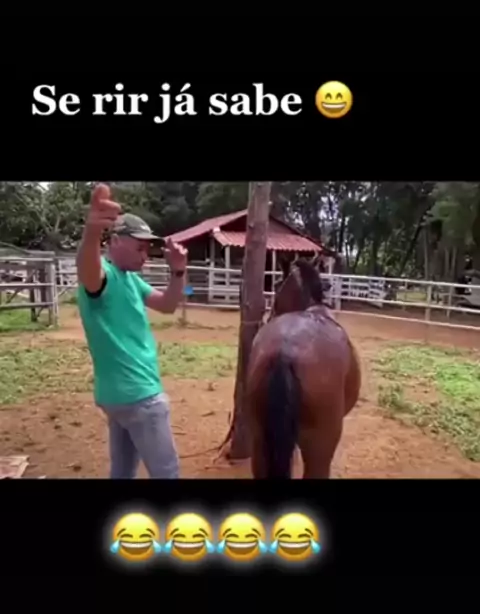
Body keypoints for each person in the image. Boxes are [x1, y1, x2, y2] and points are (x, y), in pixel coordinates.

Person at [76, 183, 187, 478]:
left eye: (147, 249)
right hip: (141, 396)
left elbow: (167, 305)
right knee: (167, 472)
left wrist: (178, 272)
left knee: (123, 471)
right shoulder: (104, 277)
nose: (145, 256)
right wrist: (92, 232)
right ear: (114, 241)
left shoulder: (130, 279)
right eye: (139, 247)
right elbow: (87, 270)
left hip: (116, 398)